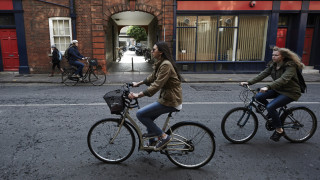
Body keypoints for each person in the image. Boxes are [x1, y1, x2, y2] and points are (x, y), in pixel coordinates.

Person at [240, 46, 304, 142]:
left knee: (270, 106)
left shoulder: (290, 66)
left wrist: (268, 87)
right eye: (273, 55)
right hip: (278, 89)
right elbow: (262, 74)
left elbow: (283, 79)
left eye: (276, 55)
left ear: (282, 56)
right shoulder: (273, 65)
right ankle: (272, 113)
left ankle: (279, 130)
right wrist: (249, 82)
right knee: (258, 96)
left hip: (290, 92)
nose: (273, 57)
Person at [128, 41, 183, 150]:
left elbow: (157, 85)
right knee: (147, 117)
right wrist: (138, 83)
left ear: (161, 52)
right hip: (166, 98)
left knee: (140, 114)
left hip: (171, 100)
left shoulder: (166, 65)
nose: (151, 51)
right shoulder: (161, 63)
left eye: (154, 50)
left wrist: (138, 95)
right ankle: (152, 142)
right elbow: (152, 77)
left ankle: (164, 137)